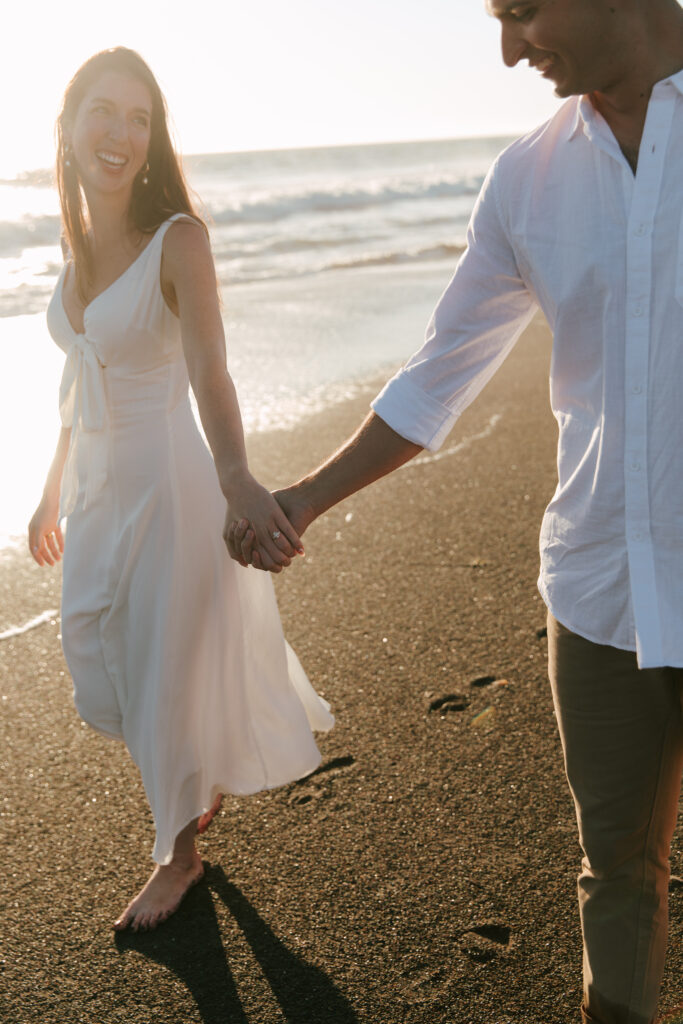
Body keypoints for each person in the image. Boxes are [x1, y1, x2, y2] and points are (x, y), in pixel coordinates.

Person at [227, 2, 683, 1021]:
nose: (507, 48)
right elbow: (437, 374)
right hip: (599, 594)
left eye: (522, 9)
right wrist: (301, 500)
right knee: (614, 872)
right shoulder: (527, 178)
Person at [28, 47, 333, 933]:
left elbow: (211, 371)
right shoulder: (71, 245)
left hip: (169, 489)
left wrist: (237, 478)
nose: (122, 133)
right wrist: (49, 491)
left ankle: (179, 859)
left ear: (153, 137)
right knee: (95, 654)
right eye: (105, 111)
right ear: (68, 122)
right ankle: (191, 778)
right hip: (94, 495)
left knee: (158, 673)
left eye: (140, 117)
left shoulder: (178, 240)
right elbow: (79, 383)